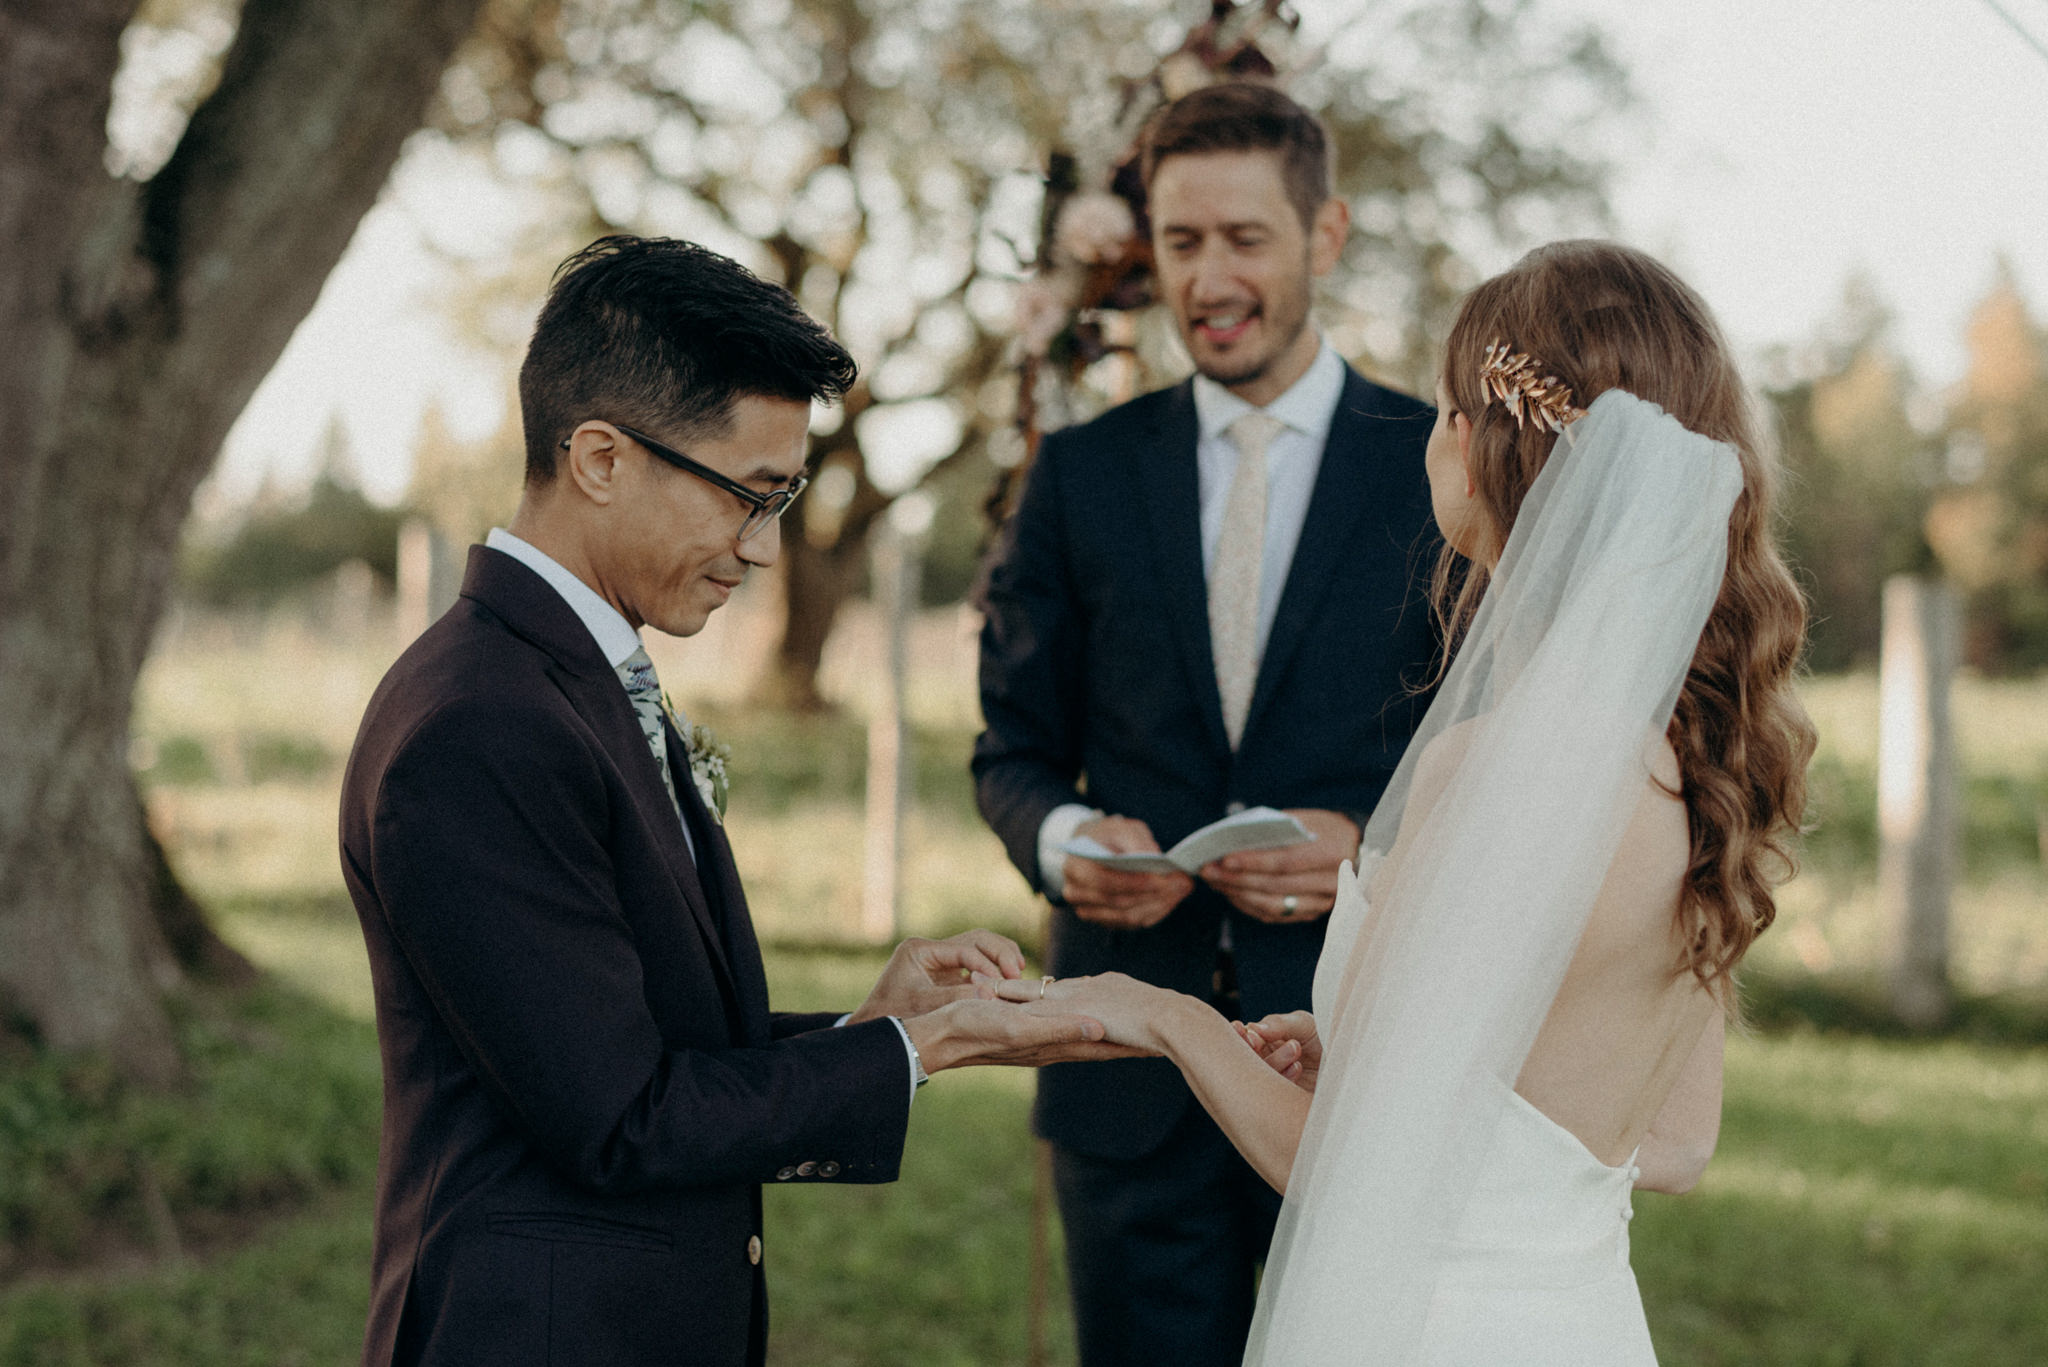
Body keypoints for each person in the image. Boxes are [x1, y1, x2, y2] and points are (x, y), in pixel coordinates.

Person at [1000, 240, 1815, 1364]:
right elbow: (1672, 1140)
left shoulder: (1487, 764)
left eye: (1441, 406)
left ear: (1481, 447)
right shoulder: (1695, 769)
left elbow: (1339, 1168)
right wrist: (1377, 1061)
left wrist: (1165, 1016)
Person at [339, 236, 1125, 1367]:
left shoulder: (568, 673)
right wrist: (917, 1047)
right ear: (601, 458)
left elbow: (625, 1038)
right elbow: (619, 1117)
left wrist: (870, 1028)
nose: (762, 548)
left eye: (784, 498)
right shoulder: (478, 722)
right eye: (748, 497)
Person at [973, 83, 1442, 1367]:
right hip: (1126, 1082)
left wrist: (1366, 845)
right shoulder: (1078, 475)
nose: (1208, 277)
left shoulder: (1439, 469)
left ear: (1325, 235)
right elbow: (1007, 749)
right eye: (1181, 244)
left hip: (1363, 1067)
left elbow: (1496, 750)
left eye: (1244, 238)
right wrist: (1065, 838)